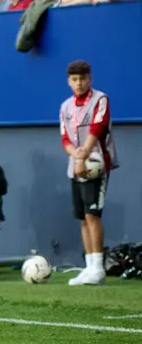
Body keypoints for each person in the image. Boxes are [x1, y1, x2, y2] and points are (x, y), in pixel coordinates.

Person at [59, 60, 119, 286]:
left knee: (93, 215)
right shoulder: (65, 107)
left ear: (89, 79)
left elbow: (97, 128)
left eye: (83, 79)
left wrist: (83, 154)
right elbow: (65, 138)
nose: (79, 83)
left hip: (96, 165)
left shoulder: (100, 99)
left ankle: (99, 268)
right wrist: (76, 155)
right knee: (83, 217)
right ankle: (89, 266)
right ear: (69, 82)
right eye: (75, 79)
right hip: (76, 167)